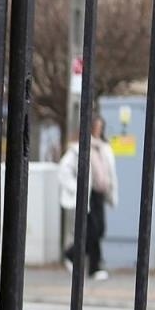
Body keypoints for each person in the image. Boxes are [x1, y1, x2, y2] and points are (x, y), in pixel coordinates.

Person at [58, 114, 118, 280]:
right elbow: (63, 170)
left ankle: (72, 254)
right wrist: (76, 188)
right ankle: (93, 267)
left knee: (99, 229)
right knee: (93, 230)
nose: (98, 130)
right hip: (87, 195)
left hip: (99, 194)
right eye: (96, 127)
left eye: (101, 127)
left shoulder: (104, 148)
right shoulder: (79, 149)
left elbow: (108, 173)